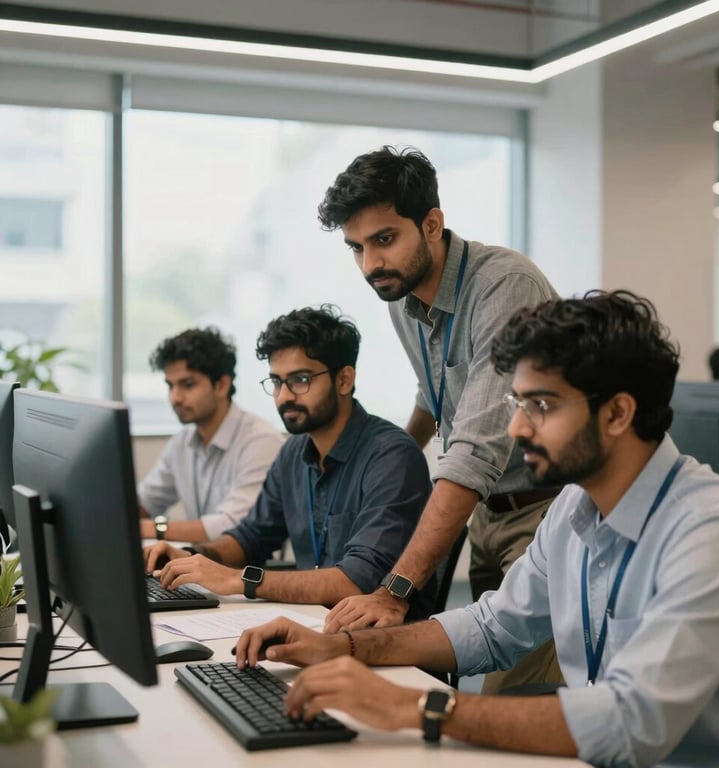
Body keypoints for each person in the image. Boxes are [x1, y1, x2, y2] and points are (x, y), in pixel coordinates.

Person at [235, 290, 719, 767]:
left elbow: (634, 723)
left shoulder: (713, 530)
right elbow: (493, 627)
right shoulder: (573, 509)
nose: (515, 427)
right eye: (518, 403)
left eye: (540, 405)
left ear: (618, 413)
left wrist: (411, 705)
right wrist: (343, 647)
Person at [318, 145, 560, 690]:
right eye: (356, 247)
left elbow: (476, 447)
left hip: (545, 513)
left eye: (384, 240)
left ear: (432, 224)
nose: (370, 264)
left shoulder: (504, 287)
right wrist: (390, 460)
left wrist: (394, 589)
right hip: (487, 516)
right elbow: (438, 394)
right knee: (462, 673)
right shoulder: (402, 297)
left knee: (510, 702)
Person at [144, 306, 435, 615]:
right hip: (312, 623)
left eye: (301, 380)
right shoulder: (294, 452)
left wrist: (238, 579)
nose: (284, 397)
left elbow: (357, 581)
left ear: (344, 380)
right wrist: (192, 556)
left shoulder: (391, 457)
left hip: (381, 644)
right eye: (277, 382)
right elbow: (250, 538)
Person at [137, 327, 283, 543]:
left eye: (187, 384)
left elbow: (232, 525)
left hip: (243, 572)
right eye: (170, 386)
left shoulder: (260, 441)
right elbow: (145, 502)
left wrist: (150, 528)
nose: (175, 397)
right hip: (196, 567)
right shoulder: (181, 443)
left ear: (222, 385)